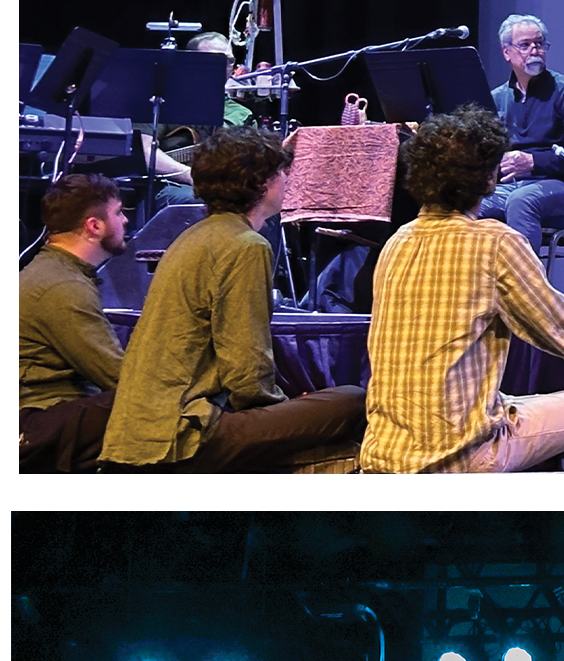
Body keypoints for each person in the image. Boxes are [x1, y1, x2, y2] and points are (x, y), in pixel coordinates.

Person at [363, 107, 564, 471]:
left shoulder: (397, 241)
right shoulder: (494, 243)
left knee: (516, 402)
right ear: (490, 177)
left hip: (385, 455)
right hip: (462, 456)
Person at [104, 126, 368, 470]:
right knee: (352, 399)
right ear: (261, 183)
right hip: (183, 433)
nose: (287, 180)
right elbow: (246, 366)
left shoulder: (193, 237)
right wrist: (282, 410)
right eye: (282, 172)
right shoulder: (246, 245)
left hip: (138, 429)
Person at [20, 173, 132, 470]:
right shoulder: (63, 286)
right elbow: (119, 376)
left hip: (51, 413)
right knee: (147, 404)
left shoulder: (58, 273)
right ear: (94, 226)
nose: (125, 221)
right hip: (39, 421)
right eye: (118, 212)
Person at [479, 14, 564, 252]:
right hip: (513, 186)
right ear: (507, 52)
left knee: (521, 201)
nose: (534, 50)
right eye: (525, 45)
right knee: (466, 204)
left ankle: (525, 276)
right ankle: (476, 275)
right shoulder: (497, 98)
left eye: (539, 43)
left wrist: (532, 162)